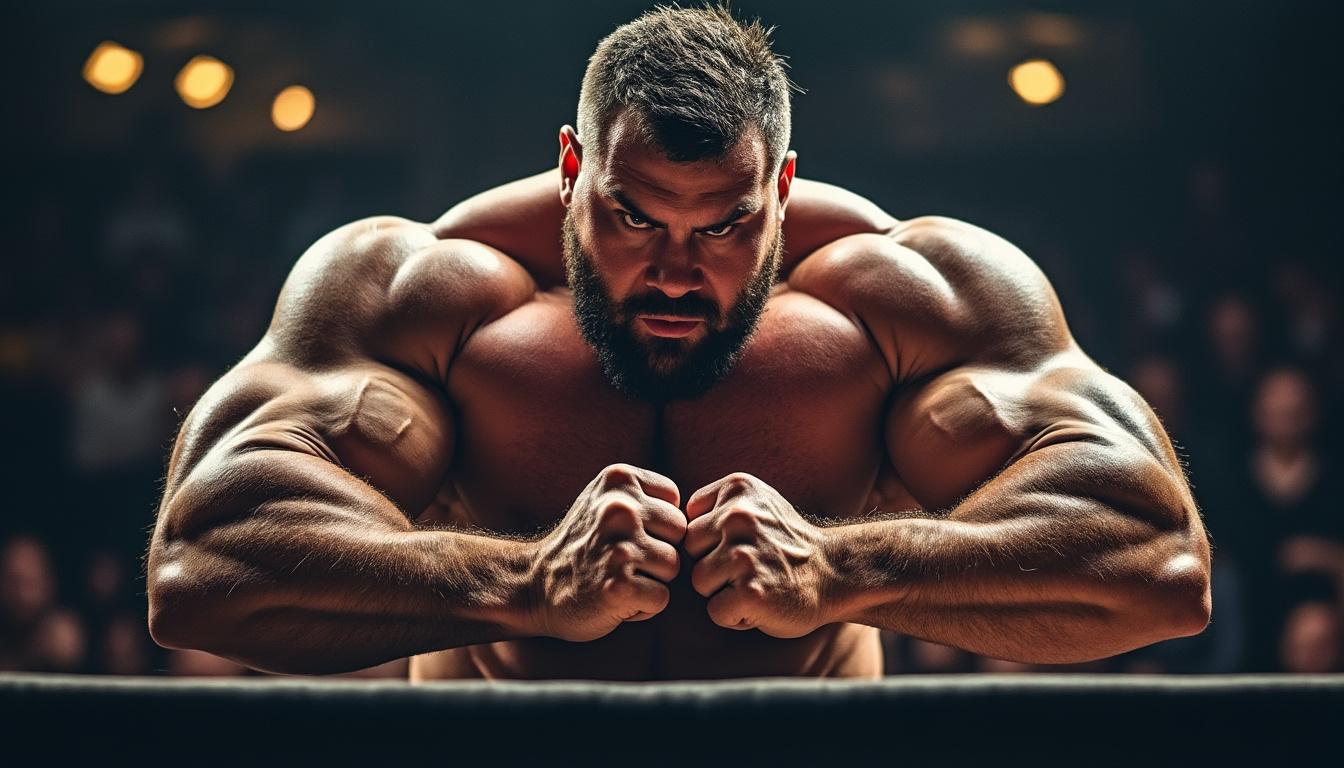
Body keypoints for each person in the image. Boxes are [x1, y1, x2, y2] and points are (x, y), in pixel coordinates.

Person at [146, 6, 1210, 680]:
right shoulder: (425, 291)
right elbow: (200, 568)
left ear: (781, 192)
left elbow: (1157, 565)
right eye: (634, 218)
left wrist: (847, 564)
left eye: (724, 228)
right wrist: (521, 586)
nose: (674, 270)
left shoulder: (904, 295)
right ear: (573, 170)